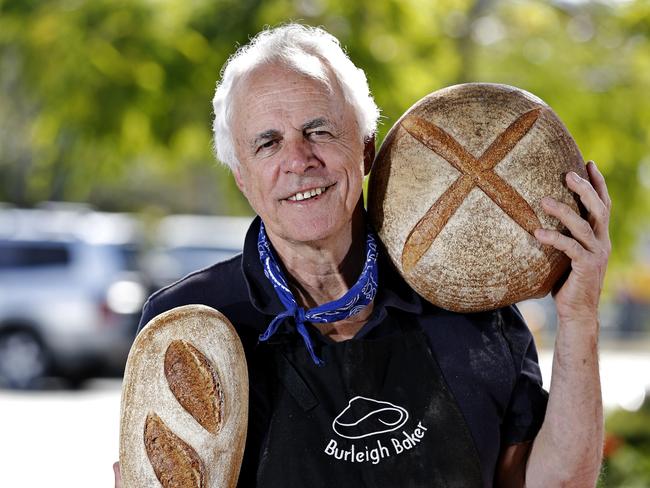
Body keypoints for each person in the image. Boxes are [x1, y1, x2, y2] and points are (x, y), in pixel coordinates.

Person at [114, 23, 610, 487]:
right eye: (268, 143)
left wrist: (579, 315)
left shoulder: (471, 305)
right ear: (242, 176)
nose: (299, 160)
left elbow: (557, 481)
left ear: (367, 148)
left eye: (319, 130)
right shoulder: (191, 325)